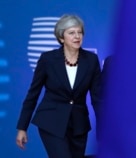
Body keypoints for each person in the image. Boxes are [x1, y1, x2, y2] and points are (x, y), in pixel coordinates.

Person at [16, 14, 101, 158]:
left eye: (80, 32)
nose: (77, 36)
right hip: (51, 123)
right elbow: (33, 94)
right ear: (61, 38)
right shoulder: (47, 60)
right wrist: (22, 127)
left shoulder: (91, 60)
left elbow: (97, 97)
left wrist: (106, 127)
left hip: (79, 126)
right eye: (72, 33)